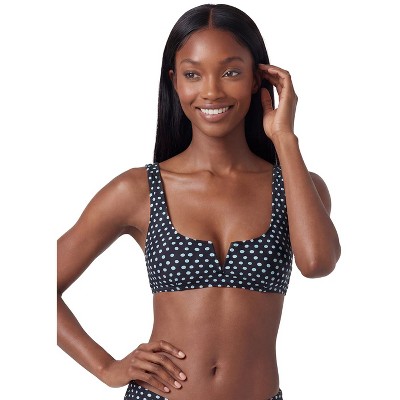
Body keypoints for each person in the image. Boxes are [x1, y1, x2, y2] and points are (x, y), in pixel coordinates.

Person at [57, 4, 341, 400]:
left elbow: (317, 263)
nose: (211, 91)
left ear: (257, 79)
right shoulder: (139, 190)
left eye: (231, 72)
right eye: (193, 74)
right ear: (174, 82)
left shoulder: (296, 187)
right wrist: (105, 367)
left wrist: (285, 139)